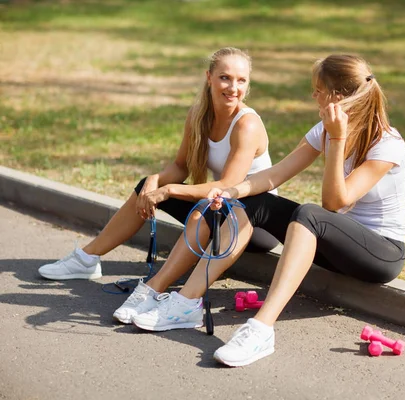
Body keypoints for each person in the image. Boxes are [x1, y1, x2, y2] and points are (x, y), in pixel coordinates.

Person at [132, 54, 405, 367]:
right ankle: (186, 303)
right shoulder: (323, 130)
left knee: (310, 213)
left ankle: (261, 330)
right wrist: (231, 191)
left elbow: (335, 202)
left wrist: (338, 138)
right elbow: (274, 175)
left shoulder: (387, 143)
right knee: (255, 201)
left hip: (381, 254)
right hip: (336, 248)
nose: (313, 95)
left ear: (337, 98)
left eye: (318, 90)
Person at [37, 47, 279, 325]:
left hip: (256, 224)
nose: (233, 87)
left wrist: (169, 190)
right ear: (209, 77)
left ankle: (154, 289)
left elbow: (227, 185)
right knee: (146, 187)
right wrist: (156, 181)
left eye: (241, 80)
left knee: (202, 208)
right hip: (218, 206)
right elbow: (181, 167)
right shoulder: (198, 115)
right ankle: (87, 259)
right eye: (225, 77)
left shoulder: (246, 124)